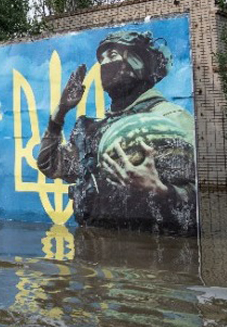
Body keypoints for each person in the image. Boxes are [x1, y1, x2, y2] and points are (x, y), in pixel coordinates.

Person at [37, 30, 197, 234]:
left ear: (138, 62)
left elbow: (198, 198)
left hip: (147, 255)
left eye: (112, 56)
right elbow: (49, 165)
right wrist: (61, 110)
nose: (105, 65)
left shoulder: (170, 118)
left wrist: (161, 191)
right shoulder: (93, 130)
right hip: (90, 254)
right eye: (101, 60)